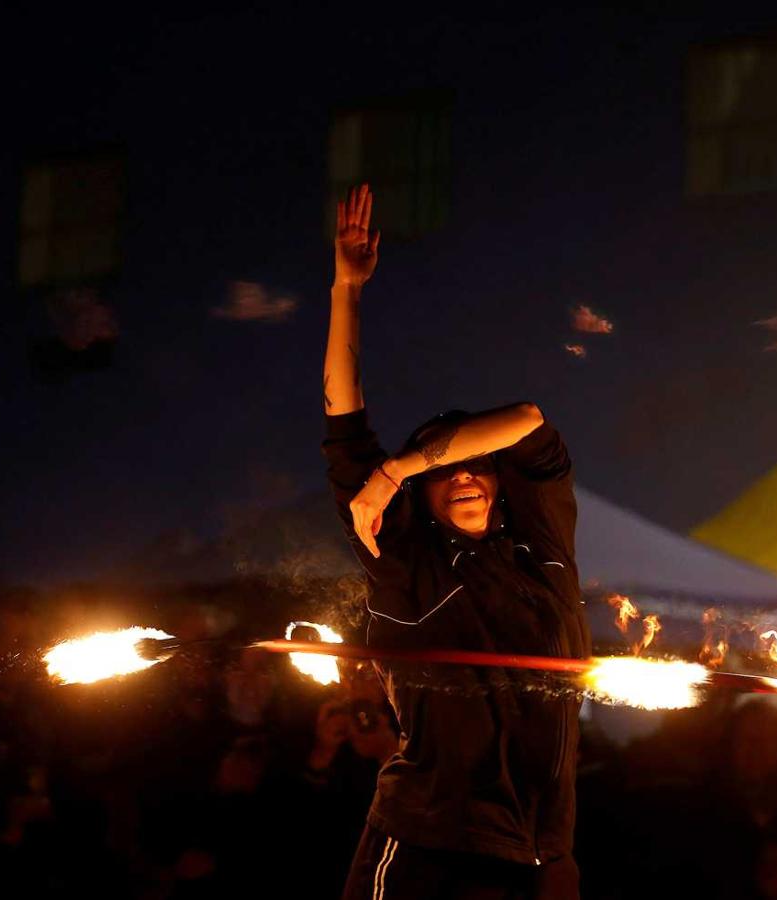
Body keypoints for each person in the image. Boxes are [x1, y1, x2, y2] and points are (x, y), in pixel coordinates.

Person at [321, 185, 589, 899]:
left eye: (475, 464)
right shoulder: (404, 561)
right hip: (425, 840)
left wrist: (401, 466)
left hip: (537, 852)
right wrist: (347, 289)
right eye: (441, 469)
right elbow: (343, 422)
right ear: (420, 497)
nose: (463, 476)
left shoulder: (545, 553)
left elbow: (527, 420)